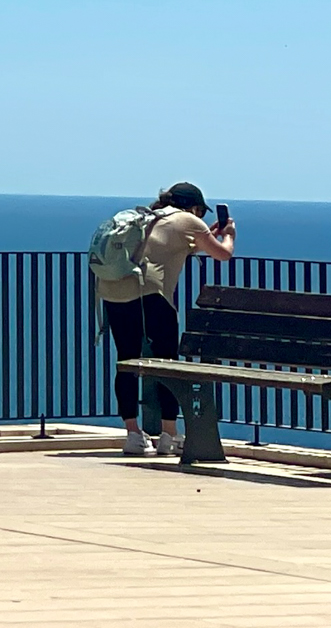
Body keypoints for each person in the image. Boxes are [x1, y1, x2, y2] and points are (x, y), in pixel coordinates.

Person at [94, 181, 236, 457]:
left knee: (126, 362)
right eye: (200, 212)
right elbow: (223, 253)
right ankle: (169, 434)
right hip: (151, 296)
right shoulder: (188, 221)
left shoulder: (150, 217)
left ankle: (133, 435)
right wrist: (228, 235)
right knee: (167, 365)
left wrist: (207, 234)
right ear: (193, 207)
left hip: (114, 291)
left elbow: (173, 246)